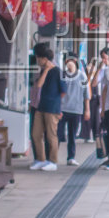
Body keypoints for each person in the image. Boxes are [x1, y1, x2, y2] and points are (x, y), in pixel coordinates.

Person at [29, 43, 63, 171]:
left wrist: (60, 108)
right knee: (36, 134)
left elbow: (63, 91)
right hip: (40, 106)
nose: (37, 60)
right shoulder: (42, 70)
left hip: (52, 107)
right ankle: (40, 159)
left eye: (39, 58)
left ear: (45, 58)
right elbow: (38, 86)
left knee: (51, 135)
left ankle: (53, 161)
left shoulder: (57, 71)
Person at [58, 55, 86, 166]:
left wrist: (87, 109)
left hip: (76, 109)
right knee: (58, 134)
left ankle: (71, 157)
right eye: (67, 61)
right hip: (62, 109)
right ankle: (53, 157)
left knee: (72, 135)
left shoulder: (82, 75)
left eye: (71, 60)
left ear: (75, 61)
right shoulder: (62, 75)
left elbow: (86, 93)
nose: (68, 63)